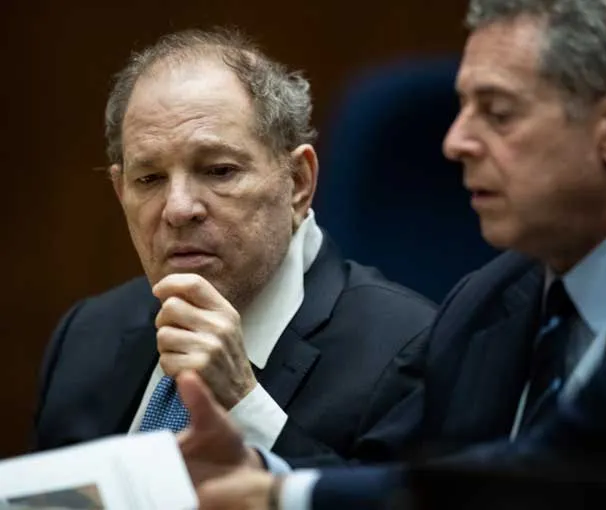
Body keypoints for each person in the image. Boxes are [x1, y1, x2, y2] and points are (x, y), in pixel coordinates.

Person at [172, 0, 606, 508]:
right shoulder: (483, 306)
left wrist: (282, 494)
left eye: (498, 114)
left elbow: (561, 477)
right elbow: (405, 486)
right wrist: (259, 473)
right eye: (463, 108)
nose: (454, 142)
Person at [32, 28, 437, 463]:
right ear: (120, 191)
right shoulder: (85, 337)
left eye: (219, 171)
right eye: (149, 179)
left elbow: (379, 493)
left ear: (299, 182)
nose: (178, 208)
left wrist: (245, 404)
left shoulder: (411, 350)